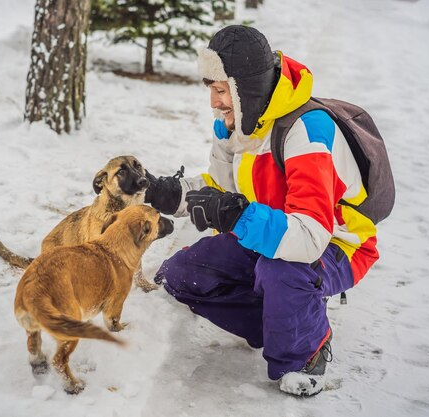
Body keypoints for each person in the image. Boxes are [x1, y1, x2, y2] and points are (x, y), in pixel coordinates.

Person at [145, 25, 379, 397]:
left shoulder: (308, 132)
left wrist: (236, 216)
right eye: (211, 90)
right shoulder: (235, 125)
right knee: (181, 275)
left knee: (281, 270)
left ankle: (305, 351)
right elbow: (220, 189)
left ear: (245, 90)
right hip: (270, 228)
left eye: (220, 91)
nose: (214, 102)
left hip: (334, 243)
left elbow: (308, 239)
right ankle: (281, 318)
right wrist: (170, 194)